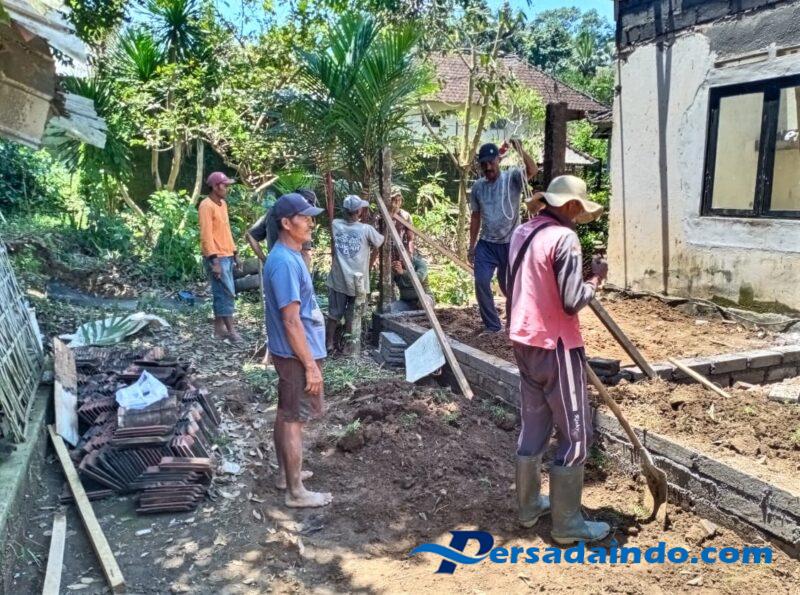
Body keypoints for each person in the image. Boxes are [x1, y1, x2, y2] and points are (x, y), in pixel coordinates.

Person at [507, 174, 609, 544]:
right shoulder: (565, 238)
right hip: (557, 344)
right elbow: (571, 300)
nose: (580, 217)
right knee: (576, 434)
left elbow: (511, 283)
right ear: (570, 205)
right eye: (579, 210)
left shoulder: (522, 233)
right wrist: (595, 280)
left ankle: (529, 507)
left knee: (533, 426)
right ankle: (567, 525)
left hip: (523, 339)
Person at [262, 193, 331, 508]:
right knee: (293, 421)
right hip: (295, 356)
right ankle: (296, 493)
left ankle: (285, 476)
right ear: (286, 223)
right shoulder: (284, 263)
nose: (311, 223)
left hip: (292, 353)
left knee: (286, 413)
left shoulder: (290, 256)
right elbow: (291, 321)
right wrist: (310, 365)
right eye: (305, 218)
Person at [468, 139, 538, 333]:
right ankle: (492, 325)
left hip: (510, 243)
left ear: (498, 160)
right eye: (484, 164)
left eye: (491, 162)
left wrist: (520, 149)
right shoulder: (478, 187)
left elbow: (532, 170)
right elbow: (475, 217)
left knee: (508, 286)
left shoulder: (512, 179)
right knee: (481, 281)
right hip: (487, 244)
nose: (488, 167)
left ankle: (513, 323)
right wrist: (472, 246)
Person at [326, 195, 384, 351]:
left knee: (333, 314)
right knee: (353, 316)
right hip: (358, 282)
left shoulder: (335, 224)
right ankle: (348, 346)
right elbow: (380, 241)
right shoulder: (366, 229)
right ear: (359, 211)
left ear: (344, 210)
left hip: (338, 280)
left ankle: (329, 343)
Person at [198, 171, 241, 341]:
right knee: (226, 293)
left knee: (221, 293)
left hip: (227, 254)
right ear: (215, 187)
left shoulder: (222, 204)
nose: (227, 189)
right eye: (225, 185)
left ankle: (218, 330)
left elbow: (226, 231)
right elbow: (206, 236)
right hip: (217, 257)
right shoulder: (206, 206)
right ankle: (231, 331)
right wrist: (214, 260)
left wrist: (235, 253)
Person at [246, 188, 318, 268]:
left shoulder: (272, 212)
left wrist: (266, 261)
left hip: (277, 264)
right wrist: (305, 274)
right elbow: (305, 253)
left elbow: (250, 235)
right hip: (293, 266)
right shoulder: (300, 218)